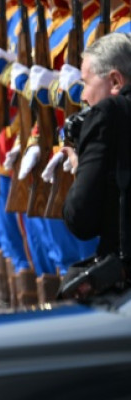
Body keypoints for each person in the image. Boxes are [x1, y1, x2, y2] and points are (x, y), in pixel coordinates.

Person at [63, 32, 131, 264]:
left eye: (86, 83)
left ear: (115, 81)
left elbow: (80, 218)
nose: (82, 96)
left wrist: (80, 168)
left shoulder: (106, 115)